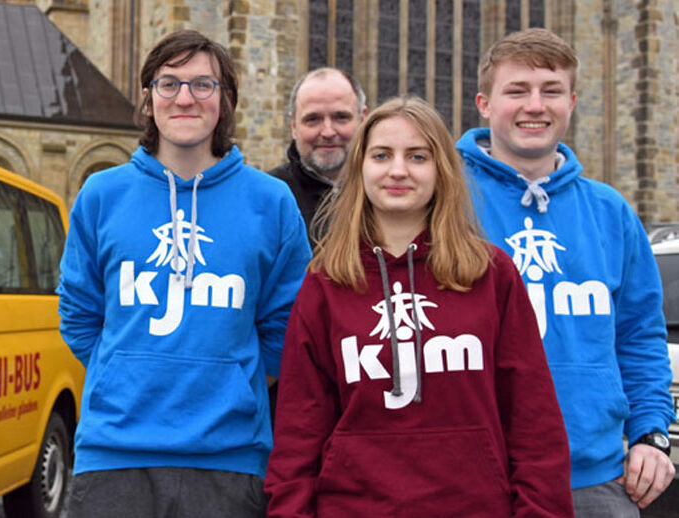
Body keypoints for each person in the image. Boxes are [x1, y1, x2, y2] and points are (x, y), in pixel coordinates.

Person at [265, 96, 573, 517]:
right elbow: (299, 433)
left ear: (440, 170)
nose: (398, 170)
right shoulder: (326, 284)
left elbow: (533, 421)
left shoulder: (490, 274)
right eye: (381, 155)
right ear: (360, 170)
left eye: (417, 156)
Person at [57, 29, 311, 517]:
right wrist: (127, 374)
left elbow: (285, 327)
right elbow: (79, 314)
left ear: (225, 101)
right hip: (115, 456)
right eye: (169, 83)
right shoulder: (101, 194)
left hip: (228, 459)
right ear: (149, 98)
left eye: (203, 85)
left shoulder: (270, 202)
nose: (185, 98)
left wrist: (230, 381)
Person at [457, 28, 675, 514]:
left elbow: (639, 335)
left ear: (572, 102)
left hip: (594, 478)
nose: (535, 105)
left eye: (551, 91)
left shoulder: (611, 212)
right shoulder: (445, 201)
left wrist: (651, 433)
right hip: (475, 477)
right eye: (517, 91)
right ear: (484, 104)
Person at [268, 67, 368, 246]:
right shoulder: (267, 197)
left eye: (341, 117)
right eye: (313, 119)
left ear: (363, 119)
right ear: (293, 126)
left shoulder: (388, 192)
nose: (328, 132)